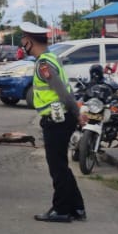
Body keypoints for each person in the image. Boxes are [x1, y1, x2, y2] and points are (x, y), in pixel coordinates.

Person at [21, 22, 87, 223]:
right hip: (59, 118)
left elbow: (63, 92)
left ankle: (61, 210)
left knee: (57, 167)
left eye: (24, 41)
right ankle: (76, 207)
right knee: (61, 166)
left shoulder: (44, 65)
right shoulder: (50, 58)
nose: (22, 45)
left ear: (30, 42)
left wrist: (77, 114)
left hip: (57, 120)